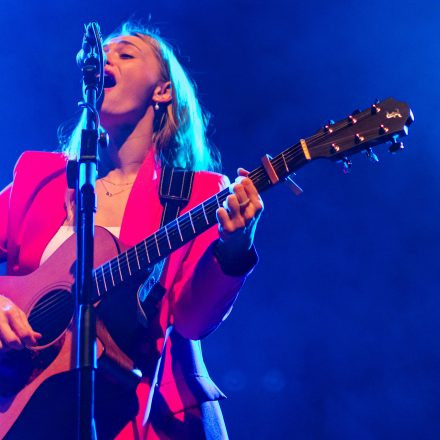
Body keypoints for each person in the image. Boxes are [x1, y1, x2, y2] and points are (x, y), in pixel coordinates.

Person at [0, 22, 263, 439]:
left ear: (163, 90)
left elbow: (191, 322)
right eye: (102, 55)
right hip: (23, 406)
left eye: (125, 54)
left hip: (142, 414)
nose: (106, 59)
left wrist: (234, 251)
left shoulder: (196, 194)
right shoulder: (39, 179)